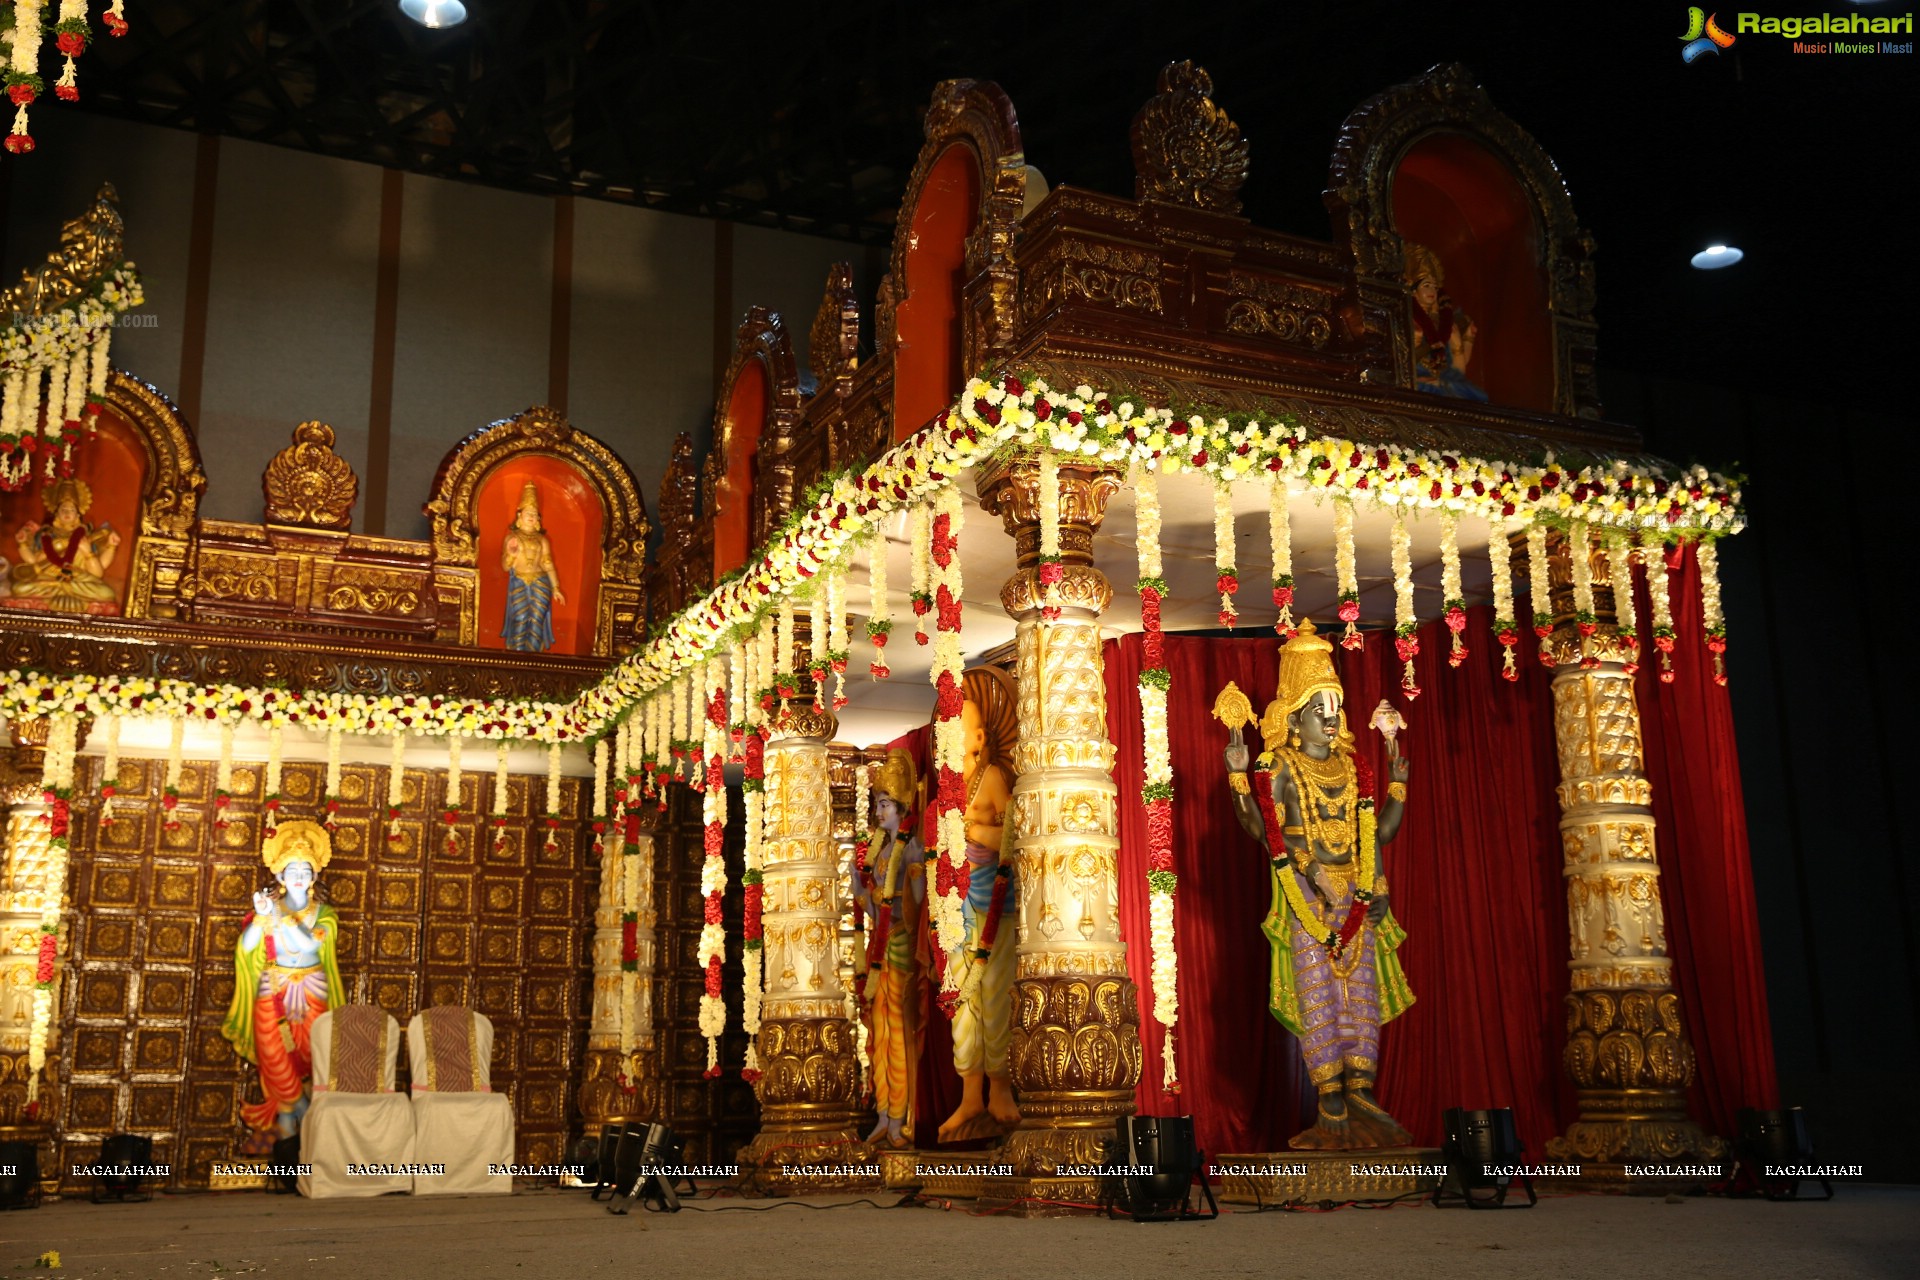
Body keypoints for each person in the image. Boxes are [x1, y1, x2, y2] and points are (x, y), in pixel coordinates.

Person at [1223, 620, 1416, 1149]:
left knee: (1361, 996)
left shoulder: (1354, 768)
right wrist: (1239, 778)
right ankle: (1329, 1105)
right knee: (1319, 997)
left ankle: (1362, 1098)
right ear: (1294, 715)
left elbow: (1377, 835)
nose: (1331, 722)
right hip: (1305, 895)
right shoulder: (1277, 762)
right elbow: (1263, 830)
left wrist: (1398, 783)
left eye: (1336, 710)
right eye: (1319, 710)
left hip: (1357, 892)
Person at [222, 821, 345, 1154]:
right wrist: (262, 919)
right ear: (279, 876)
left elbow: (309, 946)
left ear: (316, 876)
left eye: (306, 869)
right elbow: (246, 949)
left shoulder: (325, 915)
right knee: (272, 1051)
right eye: (292, 870)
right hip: (271, 987)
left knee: (311, 1052)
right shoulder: (269, 911)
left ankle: (296, 1117)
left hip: (312, 987)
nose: (300, 876)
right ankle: (298, 1112)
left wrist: (275, 915)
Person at [937, 668, 1021, 1144]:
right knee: (963, 1005)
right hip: (956, 912)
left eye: (957, 732)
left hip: (994, 907)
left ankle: (1000, 1089)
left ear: (979, 736)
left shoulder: (989, 778)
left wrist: (973, 833)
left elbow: (1014, 837)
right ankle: (970, 1094)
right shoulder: (947, 790)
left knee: (994, 997)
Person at [849, 749, 928, 1149]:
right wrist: (860, 888)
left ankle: (900, 1117)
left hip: (897, 945)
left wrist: (891, 908)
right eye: (878, 804)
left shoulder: (911, 850)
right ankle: (882, 1114)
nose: (879, 811)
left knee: (897, 1031)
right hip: (878, 946)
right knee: (877, 1032)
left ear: (900, 808)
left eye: (884, 805)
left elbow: (915, 908)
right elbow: (869, 904)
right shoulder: (879, 852)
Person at [5, 478, 122, 613]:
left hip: (78, 580)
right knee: (19, 589)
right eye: (63, 509)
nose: (67, 513)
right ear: (56, 513)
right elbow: (32, 562)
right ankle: (60, 588)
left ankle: (64, 588)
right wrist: (22, 543)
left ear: (78, 514)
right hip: (48, 580)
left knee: (106, 593)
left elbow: (97, 573)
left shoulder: (86, 536)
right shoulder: (46, 535)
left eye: (71, 510)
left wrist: (89, 552)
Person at [1404, 242, 1489, 402]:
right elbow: (1400, 366)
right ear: (1413, 291)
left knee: (1475, 395)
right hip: (1415, 383)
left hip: (1442, 382)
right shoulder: (1405, 319)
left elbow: (1457, 371)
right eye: (1426, 286)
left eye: (1435, 288)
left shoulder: (1445, 323)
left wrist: (1462, 342)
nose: (1432, 292)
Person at [501, 482, 565, 651]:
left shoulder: (542, 540)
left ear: (538, 520)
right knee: (521, 617)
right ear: (519, 516)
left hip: (540, 581)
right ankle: (516, 654)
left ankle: (534, 658)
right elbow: (506, 567)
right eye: (528, 513)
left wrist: (556, 588)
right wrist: (511, 554)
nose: (532, 516)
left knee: (537, 618)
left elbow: (548, 563)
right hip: (520, 581)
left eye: (535, 514)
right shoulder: (512, 537)